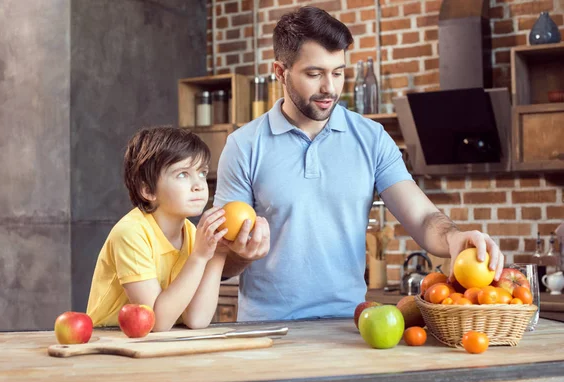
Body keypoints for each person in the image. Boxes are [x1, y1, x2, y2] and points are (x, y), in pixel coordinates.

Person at [214, 6, 504, 321]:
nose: (330, 88)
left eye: (338, 72)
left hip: (349, 326)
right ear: (280, 72)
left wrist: (453, 237)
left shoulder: (371, 138)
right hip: (266, 330)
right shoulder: (244, 146)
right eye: (314, 74)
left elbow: (422, 217)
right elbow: (221, 262)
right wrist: (241, 256)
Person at [87, 126, 229, 331]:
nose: (199, 184)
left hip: (160, 346)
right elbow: (156, 322)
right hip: (111, 343)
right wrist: (198, 257)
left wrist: (218, 254)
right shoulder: (131, 233)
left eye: (202, 172)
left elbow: (197, 319)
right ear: (147, 190)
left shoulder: (192, 234)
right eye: (182, 174)